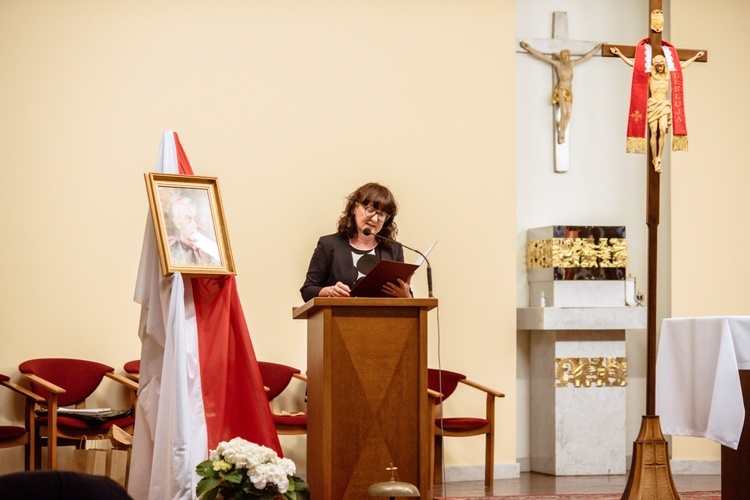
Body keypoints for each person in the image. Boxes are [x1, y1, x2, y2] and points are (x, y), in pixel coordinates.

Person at [300, 182, 411, 302]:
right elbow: (307, 291)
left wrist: (405, 295)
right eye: (370, 210)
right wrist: (331, 291)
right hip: (339, 318)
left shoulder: (393, 249)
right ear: (354, 208)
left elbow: (406, 298)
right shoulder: (329, 245)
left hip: (384, 319)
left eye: (381, 214)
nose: (374, 219)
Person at [610, 46, 704, 173]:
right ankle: (654, 158)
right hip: (653, 105)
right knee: (654, 131)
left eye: (662, 65)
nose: (660, 67)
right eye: (658, 65)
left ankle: (659, 157)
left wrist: (695, 57)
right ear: (655, 65)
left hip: (664, 105)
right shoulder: (650, 74)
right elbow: (633, 64)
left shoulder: (668, 74)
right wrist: (620, 54)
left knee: (662, 129)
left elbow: (683, 66)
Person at [520, 41, 602, 144]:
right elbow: (542, 57)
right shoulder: (558, 64)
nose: (566, 60)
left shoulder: (572, 64)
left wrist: (596, 49)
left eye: (567, 58)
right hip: (561, 90)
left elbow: (585, 57)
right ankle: (561, 132)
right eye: (564, 58)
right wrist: (529, 48)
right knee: (564, 112)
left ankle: (564, 129)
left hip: (569, 91)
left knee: (569, 114)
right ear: (561, 58)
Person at [168, 195, 220, 266]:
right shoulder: (171, 251)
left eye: (196, 218)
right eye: (188, 218)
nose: (195, 225)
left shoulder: (209, 248)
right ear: (176, 222)